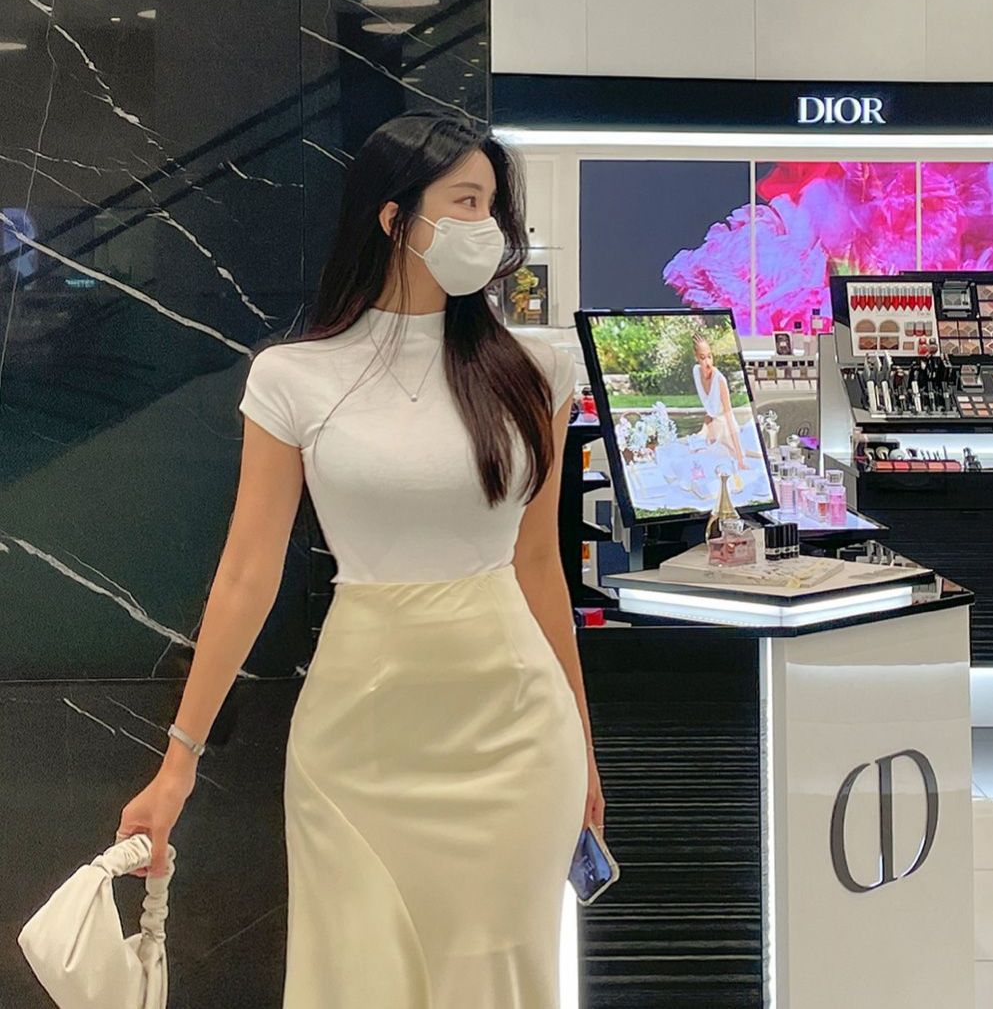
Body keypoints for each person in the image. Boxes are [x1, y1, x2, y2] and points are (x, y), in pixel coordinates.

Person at [114, 111, 605, 1009]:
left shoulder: (533, 374)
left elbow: (541, 568)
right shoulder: (295, 379)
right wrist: (177, 762)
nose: (486, 227)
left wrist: (585, 749)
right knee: (354, 977)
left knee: (496, 977)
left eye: (491, 207)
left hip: (517, 738)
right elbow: (247, 574)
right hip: (358, 738)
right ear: (393, 218)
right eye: (465, 202)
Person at [692, 331, 747, 471]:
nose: (707, 362)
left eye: (710, 356)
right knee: (693, 459)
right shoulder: (696, 372)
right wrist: (709, 429)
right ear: (696, 357)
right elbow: (709, 409)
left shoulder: (719, 380)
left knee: (718, 464)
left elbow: (729, 417)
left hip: (726, 434)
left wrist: (740, 459)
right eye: (702, 357)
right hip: (712, 432)